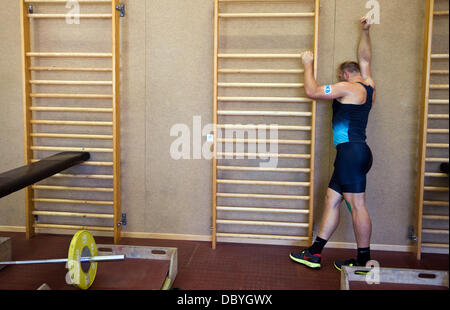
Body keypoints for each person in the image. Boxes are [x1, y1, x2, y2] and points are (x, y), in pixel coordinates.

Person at [289, 16, 376, 271]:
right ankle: (314, 253)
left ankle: (363, 260)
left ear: (345, 75)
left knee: (357, 205)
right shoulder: (369, 84)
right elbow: (366, 59)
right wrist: (366, 31)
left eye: (340, 76)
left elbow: (313, 92)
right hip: (355, 152)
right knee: (332, 198)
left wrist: (307, 64)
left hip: (350, 151)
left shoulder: (347, 87)